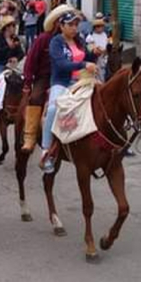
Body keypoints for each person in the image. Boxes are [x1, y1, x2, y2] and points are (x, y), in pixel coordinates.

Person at [40, 12, 97, 173]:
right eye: (70, 25)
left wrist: (94, 54)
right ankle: (46, 150)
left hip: (83, 81)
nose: (74, 28)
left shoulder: (79, 41)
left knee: (105, 100)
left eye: (75, 25)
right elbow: (61, 64)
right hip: (63, 83)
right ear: (61, 26)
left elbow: (87, 58)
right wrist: (84, 64)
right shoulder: (56, 42)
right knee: (52, 110)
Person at [21, 4, 74, 153]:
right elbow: (30, 61)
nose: (70, 26)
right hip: (45, 77)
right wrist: (28, 81)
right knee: (36, 97)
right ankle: (30, 136)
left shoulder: (73, 40)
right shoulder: (44, 38)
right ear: (57, 23)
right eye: (65, 22)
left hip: (67, 76)